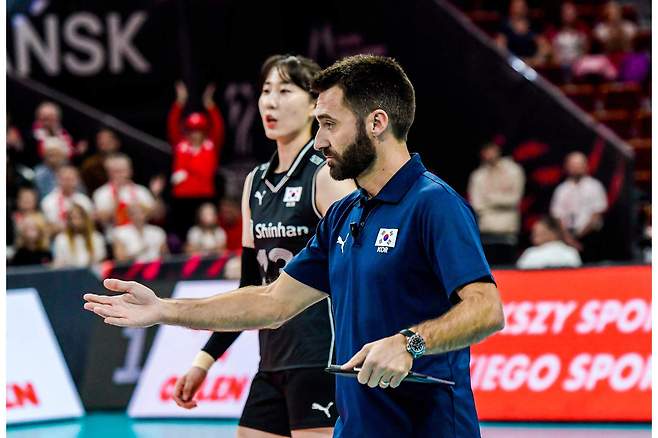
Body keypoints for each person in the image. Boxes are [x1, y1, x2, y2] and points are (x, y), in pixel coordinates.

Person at [84, 55, 505, 438]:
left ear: (376, 123)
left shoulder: (434, 204)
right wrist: (164, 310)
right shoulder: (345, 215)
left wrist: (410, 342)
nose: (319, 141)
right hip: (355, 427)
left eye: (330, 124)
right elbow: (271, 301)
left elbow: (487, 309)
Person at [175, 55, 355, 438]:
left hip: (320, 359)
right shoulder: (254, 182)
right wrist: (204, 361)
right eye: (266, 91)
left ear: (313, 104)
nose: (270, 102)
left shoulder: (326, 175)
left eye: (285, 90)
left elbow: (361, 268)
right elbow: (248, 288)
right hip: (271, 360)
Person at [168, 82, 226, 238]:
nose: (195, 134)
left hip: (204, 195)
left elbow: (219, 127)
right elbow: (172, 124)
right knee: (184, 231)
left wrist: (210, 106)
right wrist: (179, 102)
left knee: (207, 228)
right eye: (192, 130)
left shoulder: (210, 145)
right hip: (182, 197)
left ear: (204, 131)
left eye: (199, 130)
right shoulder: (180, 145)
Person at [467, 141, 525, 265]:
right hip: (486, 230)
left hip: (508, 230)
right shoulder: (478, 176)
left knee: (509, 270)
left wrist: (489, 199)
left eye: (491, 150)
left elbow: (514, 199)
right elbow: (477, 204)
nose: (489, 154)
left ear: (498, 151)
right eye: (486, 151)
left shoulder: (514, 171)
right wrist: (501, 201)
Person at [550, 151, 608, 262]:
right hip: (566, 237)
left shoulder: (595, 186)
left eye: (579, 165)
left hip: (590, 236)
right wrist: (567, 238)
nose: (576, 168)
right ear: (567, 167)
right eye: (573, 165)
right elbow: (557, 215)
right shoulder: (562, 189)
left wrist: (579, 235)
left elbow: (596, 214)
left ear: (586, 166)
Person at [92, 153, 155, 237]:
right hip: (115, 239)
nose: (118, 175)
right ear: (108, 173)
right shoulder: (101, 193)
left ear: (130, 171)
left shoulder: (141, 190)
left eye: (122, 171)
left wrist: (156, 195)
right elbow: (102, 219)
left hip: (141, 236)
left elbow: (156, 215)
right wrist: (117, 198)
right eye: (114, 171)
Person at [41, 166, 94, 235]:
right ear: (58, 180)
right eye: (65, 179)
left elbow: (89, 223)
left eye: (71, 179)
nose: (68, 183)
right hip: (57, 238)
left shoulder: (84, 200)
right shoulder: (48, 201)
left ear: (77, 181)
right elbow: (48, 226)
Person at [495, 0, 550, 66]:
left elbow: (544, 48)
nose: (518, 10)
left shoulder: (533, 26)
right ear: (511, 8)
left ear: (526, 9)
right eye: (516, 7)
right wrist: (514, 62)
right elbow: (500, 48)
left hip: (531, 65)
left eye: (521, 7)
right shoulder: (504, 27)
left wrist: (534, 61)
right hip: (510, 64)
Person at [516, 216, 582, 269]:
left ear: (554, 233)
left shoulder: (531, 253)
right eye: (534, 233)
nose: (533, 236)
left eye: (539, 233)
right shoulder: (571, 252)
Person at [53, 203, 106, 268]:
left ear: (85, 219)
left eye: (79, 218)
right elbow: (60, 263)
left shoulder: (96, 237)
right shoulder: (61, 239)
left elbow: (100, 260)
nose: (75, 222)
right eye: (72, 218)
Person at [80, 128, 122, 194]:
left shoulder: (124, 162)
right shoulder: (90, 164)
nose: (104, 142)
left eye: (108, 140)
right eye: (101, 139)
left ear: (117, 142)